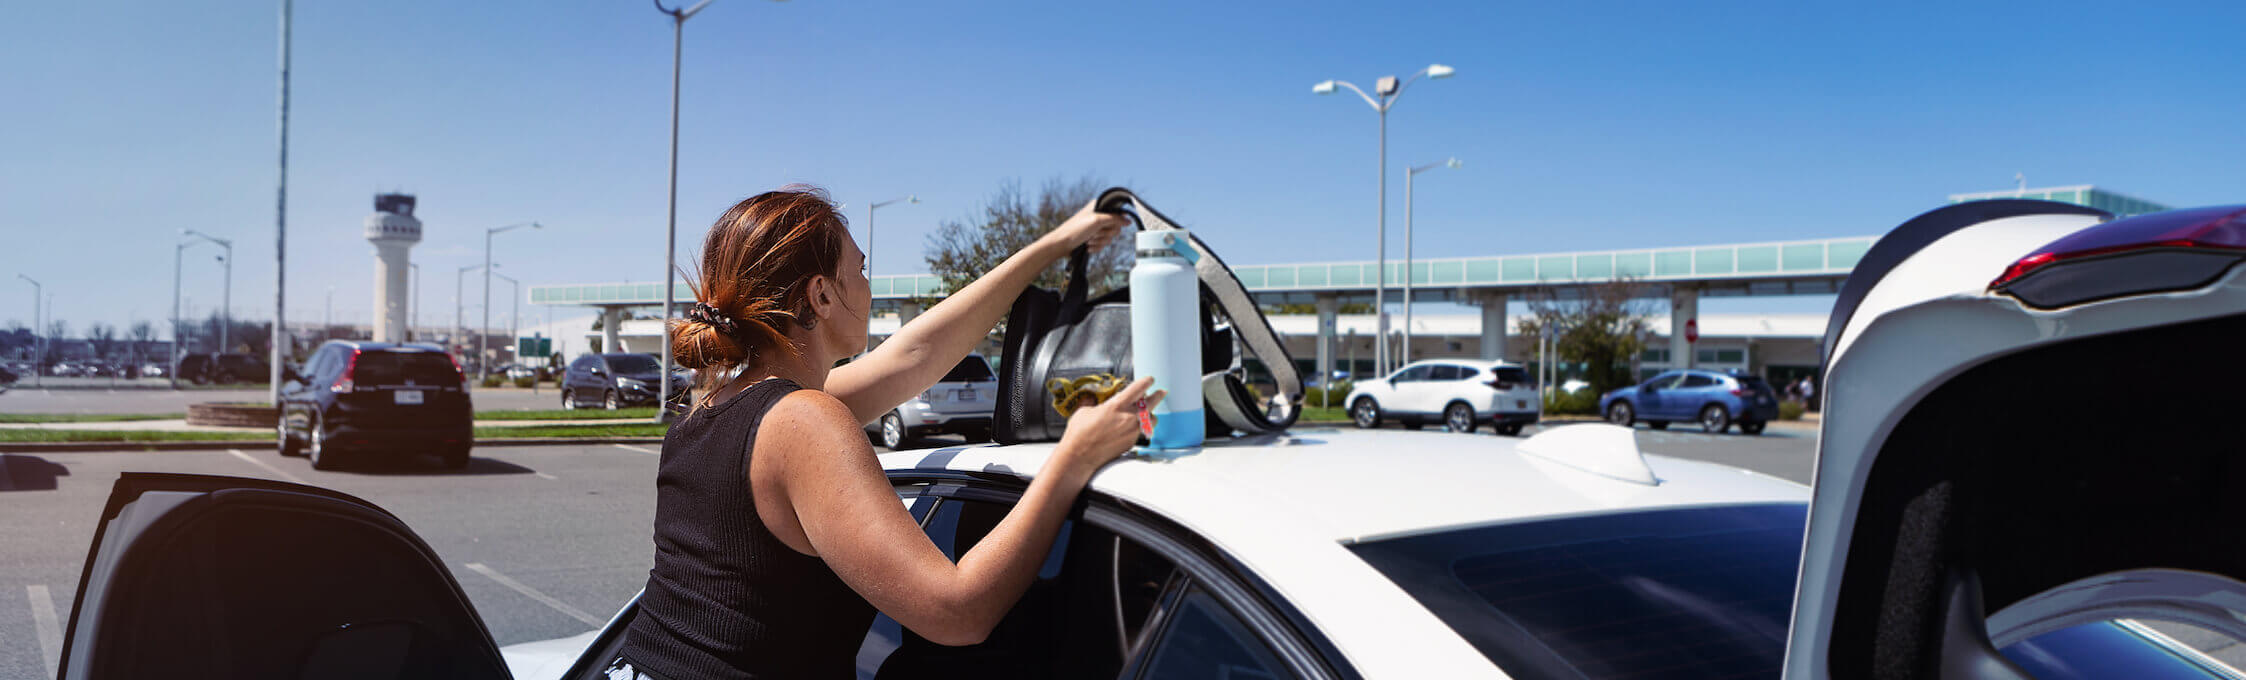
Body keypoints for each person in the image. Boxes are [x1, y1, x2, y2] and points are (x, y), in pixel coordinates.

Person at [613, 187, 1151, 679]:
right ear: (822, 296)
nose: (869, 288)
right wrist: (1074, 458)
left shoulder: (719, 409)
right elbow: (955, 612)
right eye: (861, 270)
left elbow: (914, 355)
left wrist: (1055, 244)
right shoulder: (803, 421)